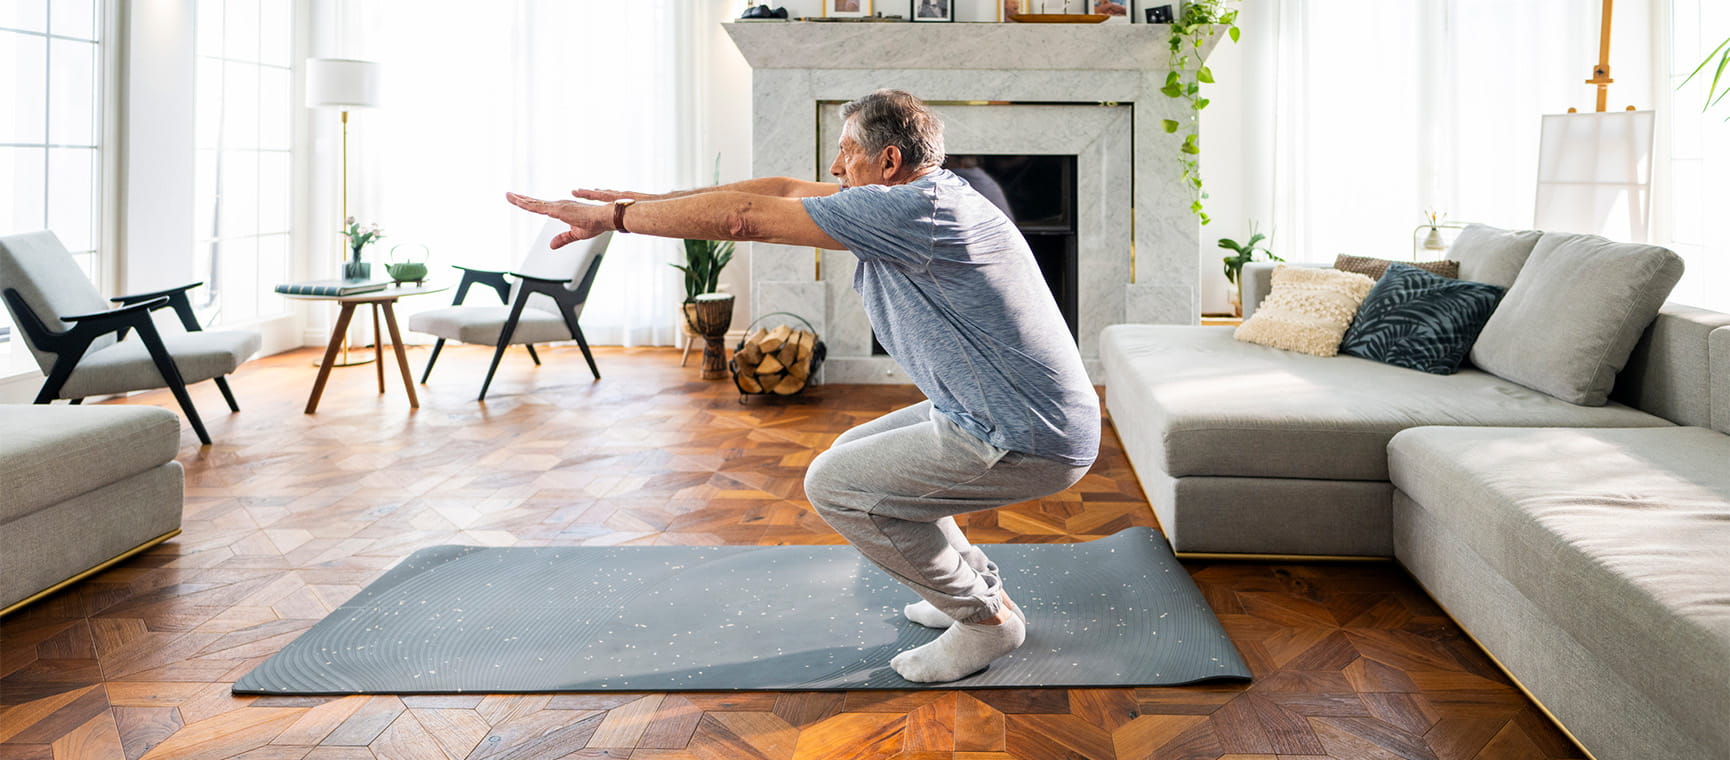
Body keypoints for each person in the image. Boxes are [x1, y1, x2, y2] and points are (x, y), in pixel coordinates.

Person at [506, 89, 1098, 683]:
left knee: (836, 485)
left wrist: (615, 219)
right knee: (853, 459)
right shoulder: (932, 195)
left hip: (1025, 434)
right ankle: (969, 586)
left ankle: (985, 623)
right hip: (998, 412)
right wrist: (643, 201)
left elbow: (747, 218)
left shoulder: (906, 212)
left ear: (888, 161)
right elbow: (785, 191)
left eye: (845, 153)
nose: (836, 169)